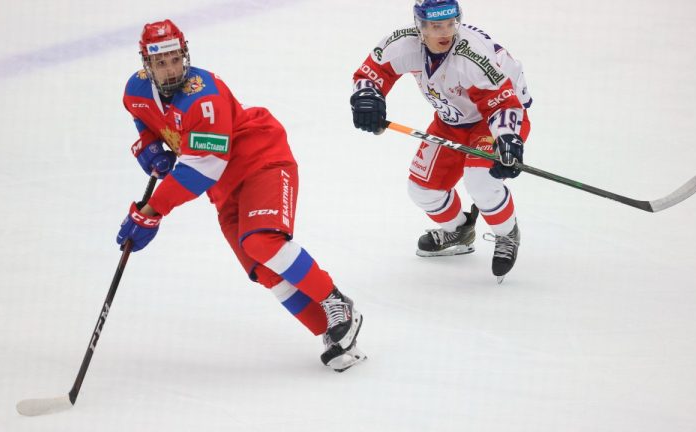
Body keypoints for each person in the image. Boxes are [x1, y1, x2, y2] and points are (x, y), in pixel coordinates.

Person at [116, 19, 365, 371]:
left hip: (260, 160)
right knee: (260, 268)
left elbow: (201, 170)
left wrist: (152, 210)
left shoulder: (204, 98)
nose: (170, 69)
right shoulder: (136, 89)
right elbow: (140, 114)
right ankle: (333, 333)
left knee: (262, 242)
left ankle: (336, 302)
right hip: (224, 188)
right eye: (160, 63)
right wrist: (149, 144)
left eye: (175, 59)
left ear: (184, 54)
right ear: (147, 64)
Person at [350, 0, 532, 282]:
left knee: (481, 181)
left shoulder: (472, 54)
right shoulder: (403, 44)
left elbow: (501, 103)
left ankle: (507, 233)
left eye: (450, 23)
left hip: (496, 116)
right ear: (419, 26)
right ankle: (459, 230)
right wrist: (367, 97)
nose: (445, 32)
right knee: (422, 189)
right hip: (452, 120)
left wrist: (508, 139)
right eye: (436, 26)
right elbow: (373, 72)